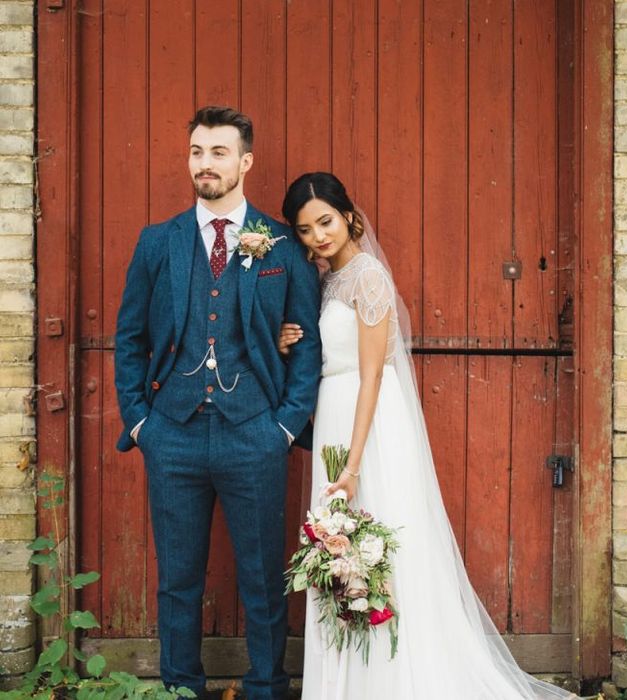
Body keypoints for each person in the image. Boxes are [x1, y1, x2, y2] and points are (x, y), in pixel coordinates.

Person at [279, 172, 577, 700]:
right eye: (304, 230)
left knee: (377, 541)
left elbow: (372, 374)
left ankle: (390, 681)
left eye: (324, 222)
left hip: (366, 424)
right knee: (338, 548)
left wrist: (351, 465)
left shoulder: (368, 278)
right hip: (333, 414)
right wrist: (288, 342)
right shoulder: (328, 282)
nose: (317, 236)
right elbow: (327, 356)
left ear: (348, 216)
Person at [114, 106, 322, 700]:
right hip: (172, 434)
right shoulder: (158, 243)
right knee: (178, 579)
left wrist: (284, 426)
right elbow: (130, 339)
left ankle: (265, 687)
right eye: (197, 152)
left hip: (255, 433)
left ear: (245, 161)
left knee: (261, 578)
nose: (205, 164)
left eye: (219, 153)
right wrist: (141, 421)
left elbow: (306, 343)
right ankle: (181, 688)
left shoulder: (280, 245)